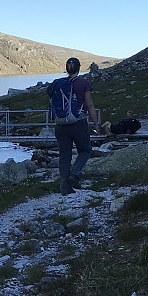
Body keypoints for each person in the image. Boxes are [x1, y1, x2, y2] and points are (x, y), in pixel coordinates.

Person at [47, 57, 99, 194]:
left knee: (64, 156)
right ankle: (74, 175)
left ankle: (65, 186)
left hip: (61, 124)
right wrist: (96, 124)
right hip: (79, 123)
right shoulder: (84, 83)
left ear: (66, 69)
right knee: (85, 150)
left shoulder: (58, 84)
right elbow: (90, 105)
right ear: (79, 68)